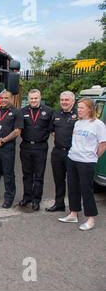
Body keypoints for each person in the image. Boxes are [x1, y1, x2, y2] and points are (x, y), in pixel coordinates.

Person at [58, 98, 106, 231]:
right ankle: (73, 213)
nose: (78, 110)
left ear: (90, 109)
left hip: (87, 162)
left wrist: (94, 156)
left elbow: (103, 144)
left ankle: (91, 219)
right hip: (73, 159)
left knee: (86, 190)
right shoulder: (78, 123)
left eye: (81, 108)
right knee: (73, 188)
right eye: (78, 107)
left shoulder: (98, 124)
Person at [19, 89, 54, 211]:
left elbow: (53, 129)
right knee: (27, 174)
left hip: (40, 147)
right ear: (28, 99)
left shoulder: (49, 112)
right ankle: (27, 197)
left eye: (36, 98)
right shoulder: (22, 112)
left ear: (40, 98)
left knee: (38, 175)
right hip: (26, 146)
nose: (33, 100)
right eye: (31, 98)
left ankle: (36, 200)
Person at [46, 91, 78, 212]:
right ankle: (59, 204)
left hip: (73, 153)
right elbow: (52, 131)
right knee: (58, 180)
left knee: (73, 181)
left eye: (66, 100)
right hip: (58, 152)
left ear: (73, 101)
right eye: (62, 100)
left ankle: (74, 208)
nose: (64, 102)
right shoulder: (56, 114)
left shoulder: (78, 114)